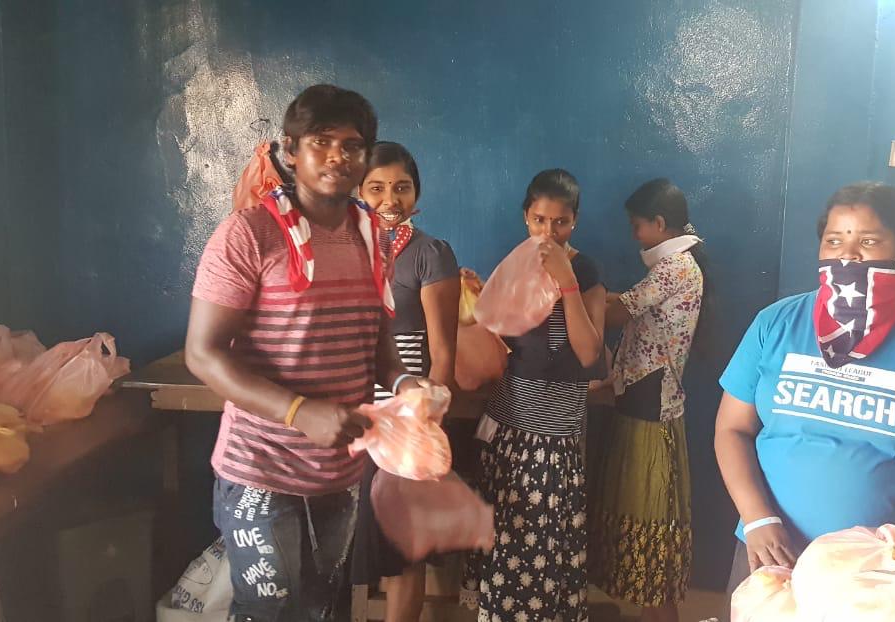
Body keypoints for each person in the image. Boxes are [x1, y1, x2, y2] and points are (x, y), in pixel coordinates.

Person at [185, 84, 442, 622]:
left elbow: (374, 339)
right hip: (261, 468)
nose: (336, 156)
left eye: (352, 145)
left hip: (337, 473)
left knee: (322, 608)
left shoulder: (370, 237)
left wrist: (404, 383)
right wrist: (299, 412)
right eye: (321, 141)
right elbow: (203, 354)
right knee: (270, 612)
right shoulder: (248, 235)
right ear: (290, 150)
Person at [713, 182, 895, 589]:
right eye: (834, 241)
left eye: (868, 241)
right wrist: (757, 519)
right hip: (772, 555)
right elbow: (732, 429)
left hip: (880, 569)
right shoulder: (776, 324)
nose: (848, 255)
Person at [461, 169, 607, 622]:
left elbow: (589, 353)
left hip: (554, 436)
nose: (548, 232)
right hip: (508, 426)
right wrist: (475, 298)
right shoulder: (515, 265)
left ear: (574, 221)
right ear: (526, 217)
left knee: (540, 553)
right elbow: (495, 341)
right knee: (503, 542)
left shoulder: (586, 271)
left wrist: (567, 283)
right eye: (539, 220)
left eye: (560, 222)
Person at [349, 141, 460, 622]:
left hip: (403, 421)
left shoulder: (430, 254)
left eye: (401, 187)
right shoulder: (343, 249)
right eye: (376, 188)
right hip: (349, 417)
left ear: (417, 192)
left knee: (403, 551)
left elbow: (444, 352)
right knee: (353, 539)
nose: (389, 200)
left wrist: (424, 427)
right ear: (358, 191)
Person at [590, 179, 705, 622]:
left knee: (649, 528)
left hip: (650, 407)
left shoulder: (675, 267)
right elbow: (623, 305)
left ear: (659, 223)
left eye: (637, 226)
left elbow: (617, 312)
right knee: (640, 527)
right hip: (641, 399)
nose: (634, 235)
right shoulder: (675, 265)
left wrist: (566, 291)